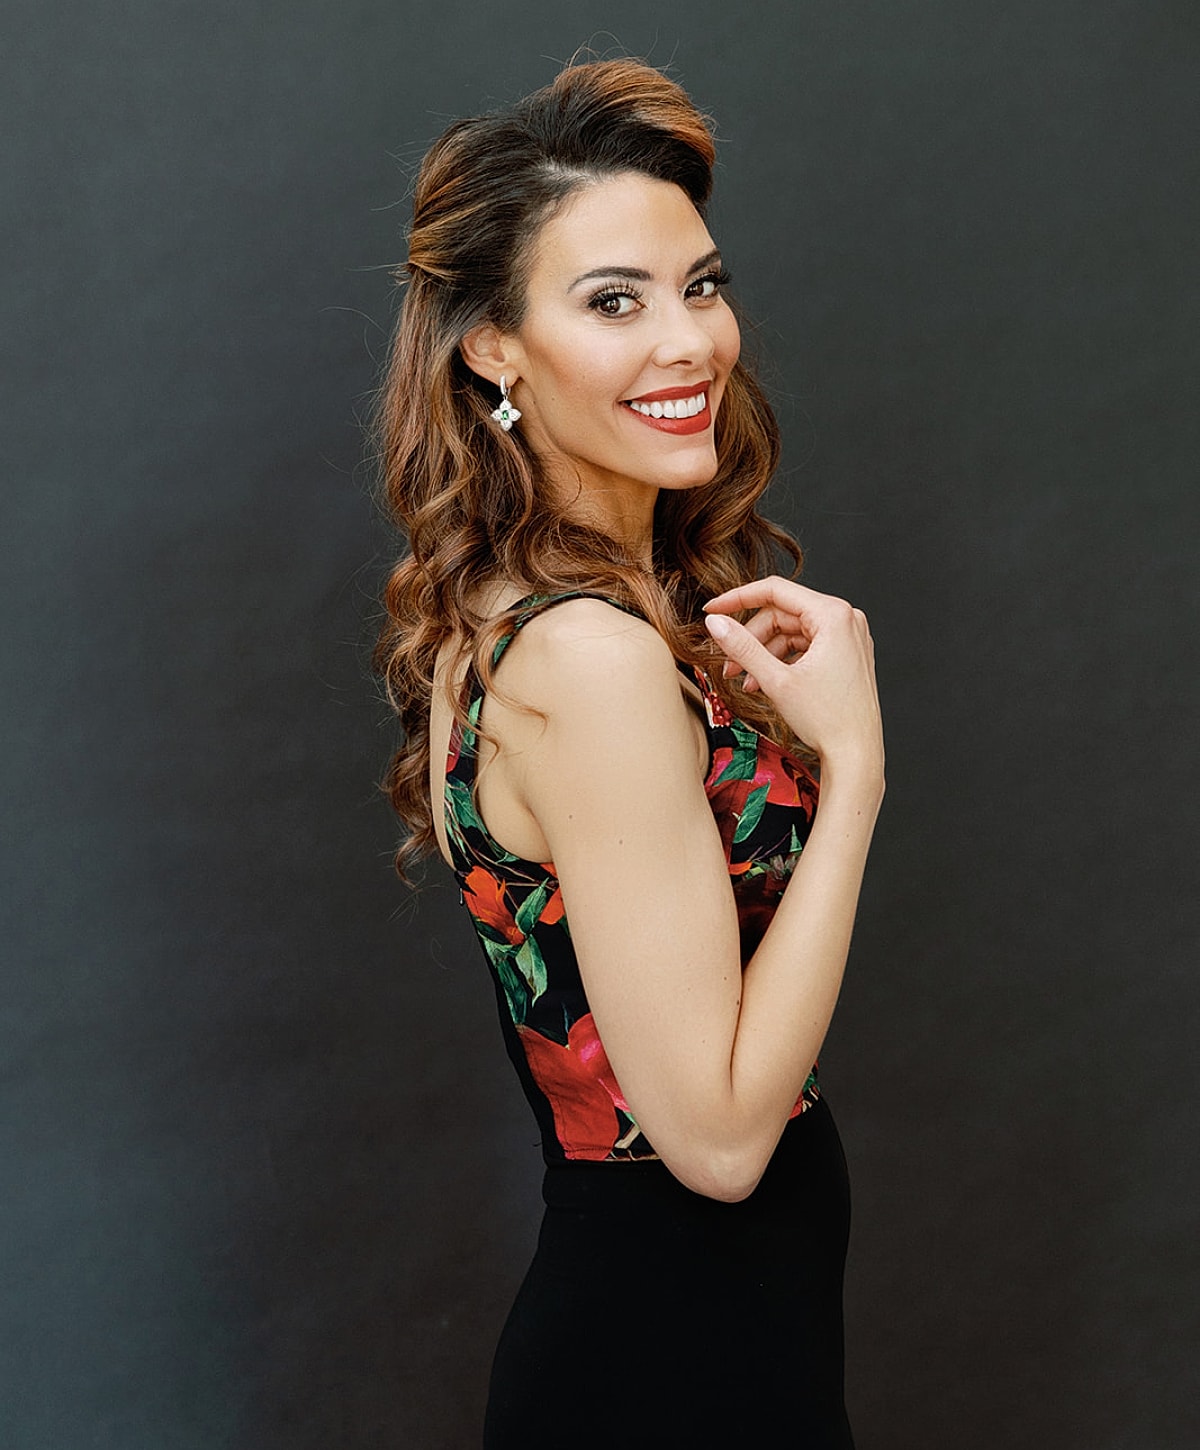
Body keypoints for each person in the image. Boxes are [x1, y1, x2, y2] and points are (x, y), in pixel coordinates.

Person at [375, 58, 884, 1448]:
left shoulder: (541, 615)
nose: (690, 343)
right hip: (674, 1376)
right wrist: (854, 778)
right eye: (615, 302)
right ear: (492, 344)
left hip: (699, 1356)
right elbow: (717, 1143)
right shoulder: (589, 659)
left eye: (700, 286)